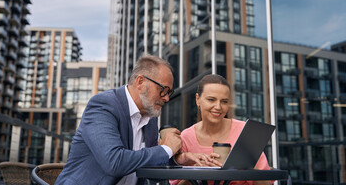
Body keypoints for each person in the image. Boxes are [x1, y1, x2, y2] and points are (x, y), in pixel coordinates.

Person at [56, 54, 183, 185]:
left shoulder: (150, 120)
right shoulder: (103, 105)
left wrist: (178, 160)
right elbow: (114, 162)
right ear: (140, 82)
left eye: (169, 93)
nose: (166, 98)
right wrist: (166, 148)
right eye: (163, 90)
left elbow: (151, 169)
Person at [170, 74, 272, 185]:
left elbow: (266, 182)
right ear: (198, 99)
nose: (218, 107)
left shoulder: (244, 132)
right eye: (211, 100)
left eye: (224, 101)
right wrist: (197, 172)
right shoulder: (186, 137)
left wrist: (250, 163)